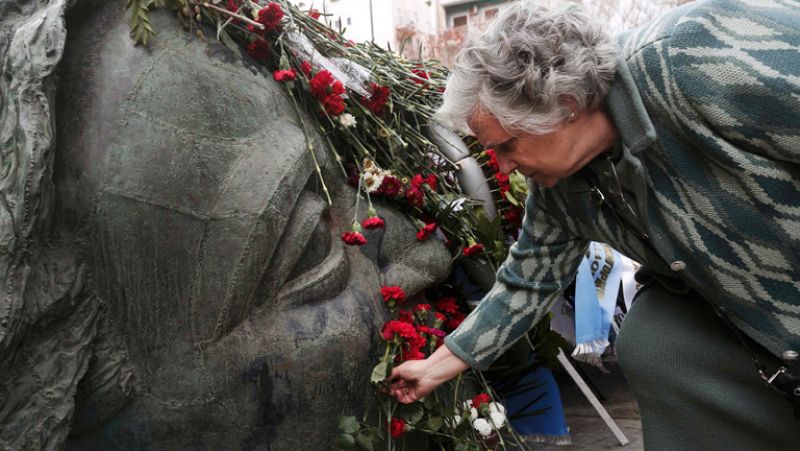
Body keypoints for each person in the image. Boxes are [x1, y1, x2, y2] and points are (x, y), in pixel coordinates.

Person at [388, 0, 800, 448]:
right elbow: (525, 283)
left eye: (507, 146)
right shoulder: (560, 191)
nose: (502, 170)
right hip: (756, 342)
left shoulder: (695, 55)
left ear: (563, 104)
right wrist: (433, 367)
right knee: (656, 333)